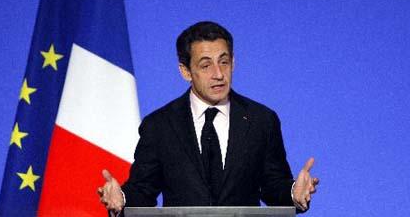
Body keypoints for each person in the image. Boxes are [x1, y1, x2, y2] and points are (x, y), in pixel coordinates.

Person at [98, 21, 318, 214]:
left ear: (234, 62)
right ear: (185, 71)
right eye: (206, 65)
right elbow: (143, 190)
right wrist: (122, 199)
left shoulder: (261, 120)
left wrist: (293, 193)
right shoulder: (160, 126)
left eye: (224, 62)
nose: (218, 74)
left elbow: (273, 186)